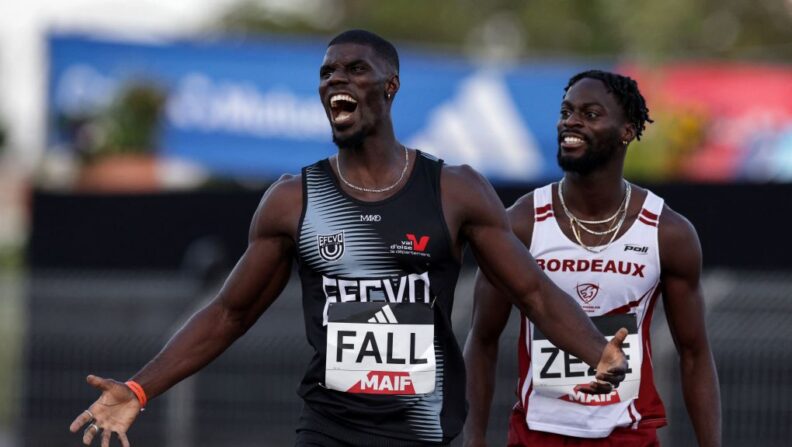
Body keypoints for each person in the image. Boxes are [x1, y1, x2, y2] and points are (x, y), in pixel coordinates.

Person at [69, 31, 628, 447]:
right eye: (327, 73)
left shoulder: (454, 190)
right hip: (329, 430)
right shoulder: (294, 199)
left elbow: (532, 291)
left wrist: (595, 349)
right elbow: (228, 314)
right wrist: (139, 389)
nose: (336, 79)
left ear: (390, 86)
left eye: (355, 70)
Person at [462, 70, 721, 446]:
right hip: (537, 436)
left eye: (590, 113)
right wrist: (473, 440)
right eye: (566, 111)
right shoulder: (521, 223)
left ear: (626, 131)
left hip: (627, 436)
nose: (571, 121)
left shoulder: (667, 232)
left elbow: (694, 354)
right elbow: (482, 340)